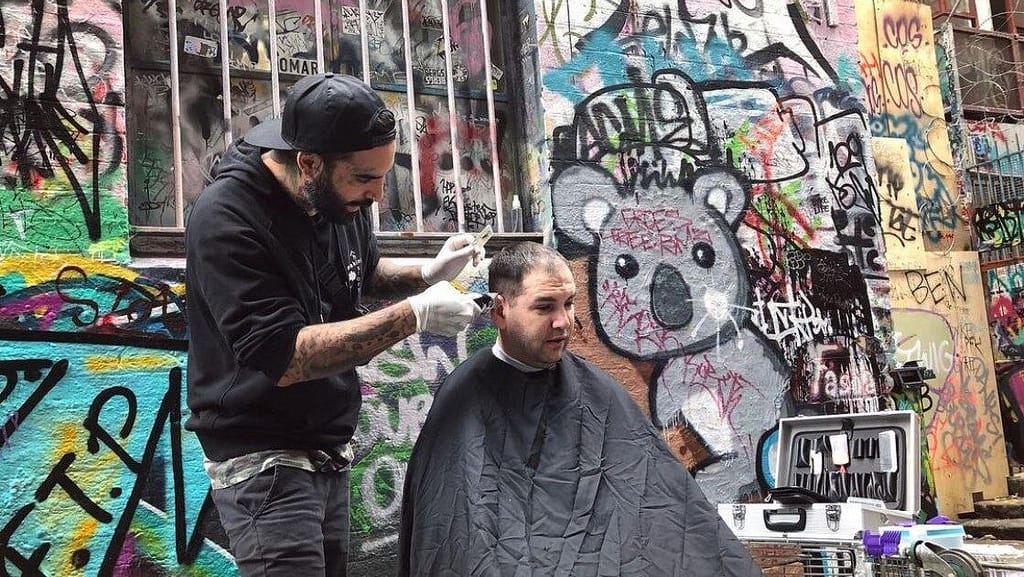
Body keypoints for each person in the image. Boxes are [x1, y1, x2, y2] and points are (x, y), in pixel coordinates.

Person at [185, 73, 485, 577]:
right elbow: (287, 357)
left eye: (382, 176)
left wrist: (427, 272)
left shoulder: (336, 197)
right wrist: (416, 316)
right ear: (309, 162)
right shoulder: (228, 218)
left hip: (327, 450)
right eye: (366, 178)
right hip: (263, 461)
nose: (376, 194)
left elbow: (359, 275)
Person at [398, 242, 761, 577]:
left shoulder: (597, 390)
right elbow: (455, 537)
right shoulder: (464, 396)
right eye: (544, 307)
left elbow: (662, 511)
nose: (563, 321)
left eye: (569, 304)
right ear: (500, 310)